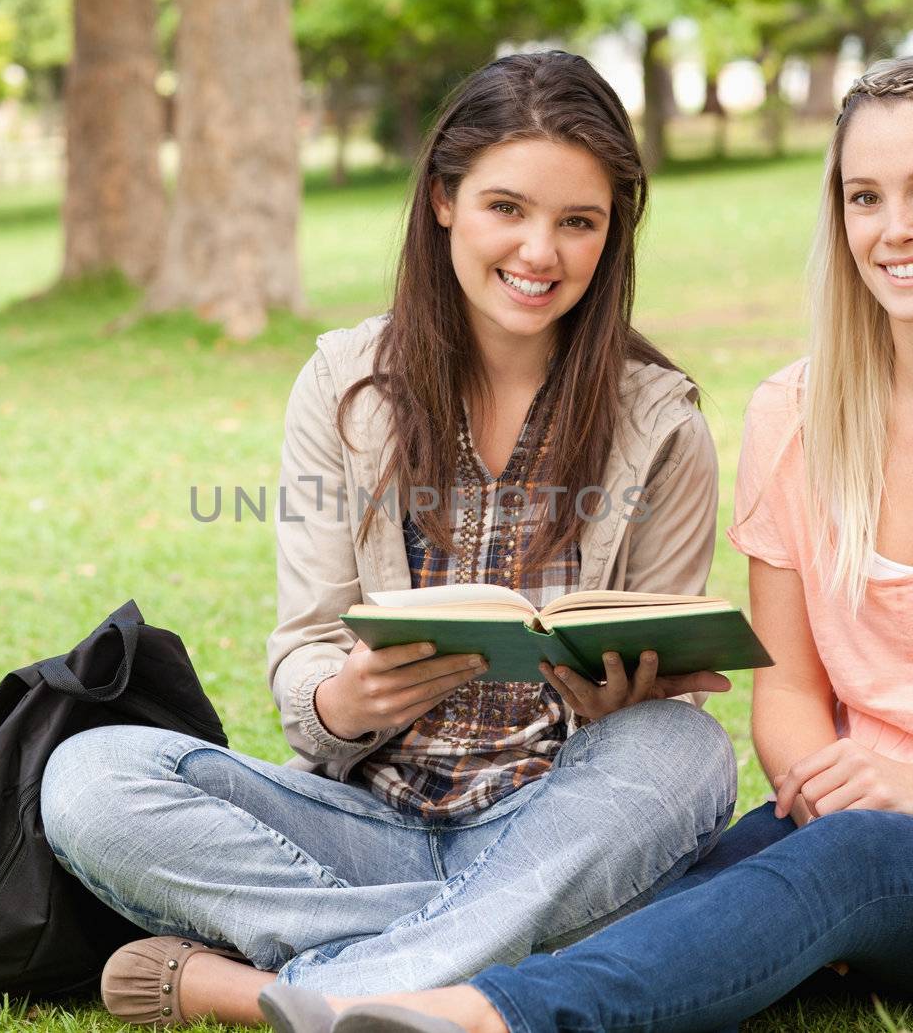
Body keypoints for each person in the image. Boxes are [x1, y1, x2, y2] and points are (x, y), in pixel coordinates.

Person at [254, 52, 913, 1033]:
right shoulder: (792, 411)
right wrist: (817, 780)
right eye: (863, 196)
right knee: (655, 900)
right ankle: (283, 985)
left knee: (836, 861)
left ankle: (477, 1018)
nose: (894, 227)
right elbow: (789, 694)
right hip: (839, 814)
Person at [39, 50, 738, 1028]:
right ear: (445, 198)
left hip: (554, 820)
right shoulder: (343, 384)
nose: (540, 251)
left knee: (686, 750)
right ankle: (467, 963)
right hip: (360, 823)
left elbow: (653, 675)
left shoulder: (661, 422)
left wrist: (616, 700)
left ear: (611, 232)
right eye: (508, 208)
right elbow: (302, 652)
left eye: (577, 222)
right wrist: (344, 696)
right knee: (89, 777)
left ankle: (313, 995)